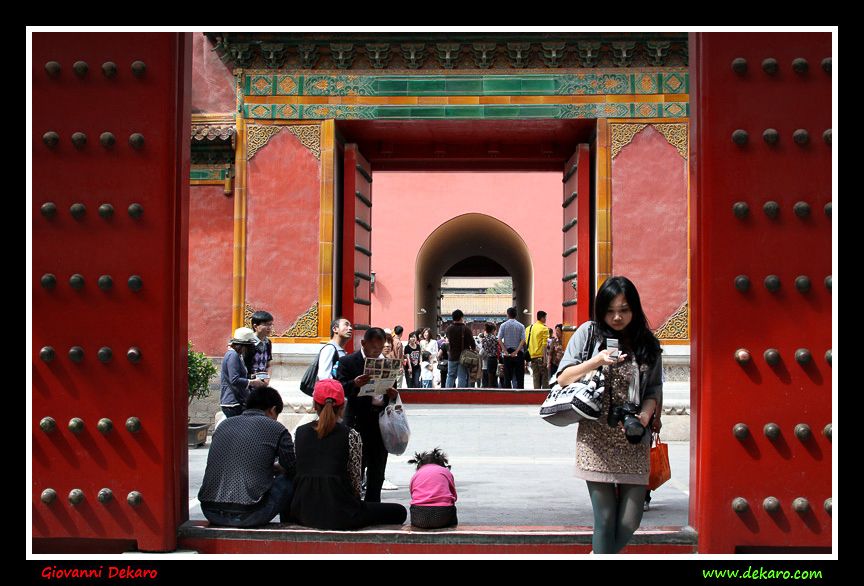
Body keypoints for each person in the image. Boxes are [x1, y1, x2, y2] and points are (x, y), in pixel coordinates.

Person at [555, 276, 663, 554]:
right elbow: (563, 378)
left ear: (635, 309)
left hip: (633, 436)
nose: (617, 317)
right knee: (604, 518)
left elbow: (654, 389)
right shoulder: (589, 333)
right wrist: (597, 360)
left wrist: (644, 417)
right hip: (596, 437)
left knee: (630, 521)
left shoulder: (647, 343)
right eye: (610, 310)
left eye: (624, 310)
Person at [291, 379, 407, 530]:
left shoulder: (299, 433)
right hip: (341, 512)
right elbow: (355, 483)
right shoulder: (351, 435)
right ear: (343, 407)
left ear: (314, 405)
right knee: (399, 511)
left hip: (304, 510)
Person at [198, 386, 295, 527]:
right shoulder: (277, 429)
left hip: (210, 511)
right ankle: (290, 525)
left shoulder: (223, 425)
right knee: (289, 480)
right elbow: (292, 467)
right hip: (250, 514)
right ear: (272, 410)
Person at [337, 327, 401, 503]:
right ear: (363, 343)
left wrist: (393, 395)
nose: (377, 352)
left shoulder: (386, 363)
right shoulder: (348, 362)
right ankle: (353, 502)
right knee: (356, 463)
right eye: (374, 348)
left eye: (380, 348)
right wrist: (354, 383)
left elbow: (392, 392)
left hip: (380, 420)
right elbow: (339, 388)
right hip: (357, 419)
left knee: (378, 465)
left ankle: (373, 502)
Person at [220, 327, 269, 418]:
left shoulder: (237, 355)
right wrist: (253, 382)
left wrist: (253, 376)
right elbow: (234, 380)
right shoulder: (233, 355)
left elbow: (240, 375)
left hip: (236, 402)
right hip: (233, 403)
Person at [408, 448, 458, 529]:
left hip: (419, 517)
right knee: (451, 509)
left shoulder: (416, 474)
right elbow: (454, 496)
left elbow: (413, 494)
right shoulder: (445, 472)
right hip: (443, 515)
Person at [445, 309, 476, 388]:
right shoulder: (466, 329)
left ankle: (447, 393)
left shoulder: (449, 329)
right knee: (462, 376)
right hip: (463, 357)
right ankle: (460, 394)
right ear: (461, 317)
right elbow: (472, 343)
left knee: (450, 376)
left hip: (451, 356)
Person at [497, 307, 526, 389]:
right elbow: (523, 339)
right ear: (516, 315)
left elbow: (499, 339)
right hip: (518, 354)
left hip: (507, 354)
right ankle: (520, 394)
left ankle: (507, 394)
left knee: (507, 376)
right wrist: (516, 351)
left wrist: (505, 351)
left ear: (508, 315)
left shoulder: (503, 325)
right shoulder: (521, 326)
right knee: (519, 376)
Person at [317, 317, 353, 382]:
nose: (350, 328)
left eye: (350, 326)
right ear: (335, 329)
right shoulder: (330, 349)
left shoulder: (341, 351)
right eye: (346, 325)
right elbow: (324, 376)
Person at [244, 310, 274, 378]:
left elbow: (268, 365)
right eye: (266, 324)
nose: (269, 327)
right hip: (248, 383)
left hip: (262, 383)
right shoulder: (248, 343)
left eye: (271, 324)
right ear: (255, 326)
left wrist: (267, 378)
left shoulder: (268, 343)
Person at [526, 310, 550, 389]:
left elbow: (527, 342)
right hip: (541, 356)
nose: (546, 319)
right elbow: (544, 345)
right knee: (544, 378)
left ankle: (536, 393)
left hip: (532, 357)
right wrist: (545, 359)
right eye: (545, 317)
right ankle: (544, 396)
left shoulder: (529, 328)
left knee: (535, 378)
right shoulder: (544, 329)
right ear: (542, 318)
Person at [481, 322, 499, 388]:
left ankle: (490, 387)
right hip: (495, 358)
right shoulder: (496, 339)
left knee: (490, 374)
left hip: (489, 358)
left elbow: (484, 349)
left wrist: (488, 353)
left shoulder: (484, 339)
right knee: (495, 374)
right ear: (493, 330)